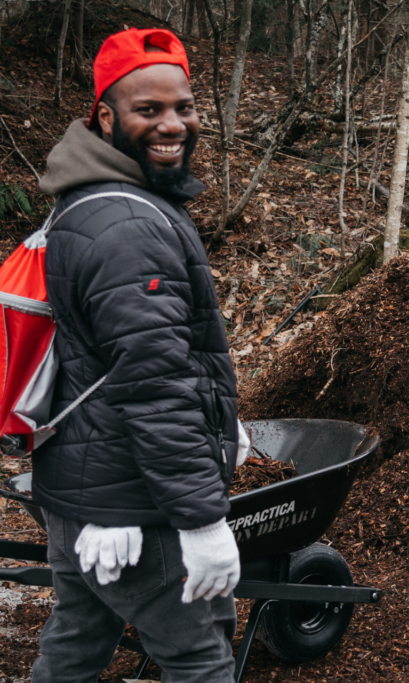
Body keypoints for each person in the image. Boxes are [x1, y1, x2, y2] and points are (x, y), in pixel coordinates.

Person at [30, 28, 249, 682]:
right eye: (148, 110)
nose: (173, 123)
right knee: (199, 662)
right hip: (137, 510)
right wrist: (202, 520)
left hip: (88, 495)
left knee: (73, 650)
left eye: (182, 106)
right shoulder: (126, 224)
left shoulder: (102, 197)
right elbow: (154, 385)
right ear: (105, 117)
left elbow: (105, 357)